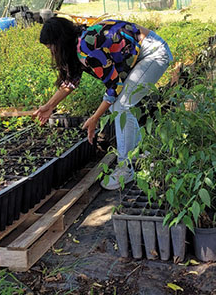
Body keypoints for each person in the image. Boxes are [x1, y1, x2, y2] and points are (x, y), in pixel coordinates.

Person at [33, 17, 173, 190]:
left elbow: (115, 85)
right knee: (118, 106)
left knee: (121, 106)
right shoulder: (79, 44)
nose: (52, 53)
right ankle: (137, 155)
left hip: (154, 53)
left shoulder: (87, 47)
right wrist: (49, 106)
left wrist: (95, 117)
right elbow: (71, 82)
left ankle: (125, 168)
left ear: (59, 41)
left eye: (51, 48)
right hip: (142, 54)